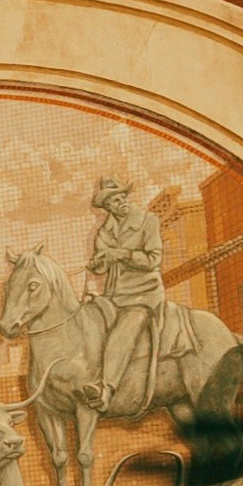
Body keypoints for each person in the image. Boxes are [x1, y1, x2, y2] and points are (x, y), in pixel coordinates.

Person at [85, 178, 165, 416]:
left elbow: (153, 260)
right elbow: (101, 267)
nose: (122, 203)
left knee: (124, 331)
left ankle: (106, 391)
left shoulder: (148, 222)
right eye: (115, 201)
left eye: (123, 198)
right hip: (113, 296)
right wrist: (98, 263)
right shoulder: (103, 232)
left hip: (143, 294)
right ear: (107, 207)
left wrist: (122, 254)